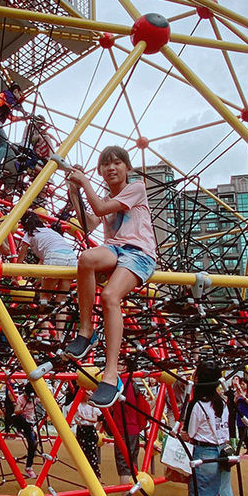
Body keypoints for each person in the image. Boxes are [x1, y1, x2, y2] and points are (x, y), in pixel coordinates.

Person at [65, 146, 157, 408]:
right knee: (86, 258)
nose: (111, 168)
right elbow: (89, 223)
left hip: (139, 253)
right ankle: (86, 331)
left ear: (127, 168)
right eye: (106, 164)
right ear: (100, 171)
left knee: (109, 296)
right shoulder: (107, 196)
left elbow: (101, 208)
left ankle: (111, 373)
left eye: (117, 163)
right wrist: (75, 194)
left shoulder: (137, 187)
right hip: (116, 250)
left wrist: (83, 182)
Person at [162, 361, 245, 496]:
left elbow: (190, 434)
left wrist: (178, 436)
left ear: (200, 379)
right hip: (223, 456)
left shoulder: (197, 405)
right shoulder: (223, 404)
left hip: (205, 457)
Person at [17, 211, 77, 338]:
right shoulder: (50, 232)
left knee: (45, 296)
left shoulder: (30, 234)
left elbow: (21, 256)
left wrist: (15, 274)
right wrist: (39, 278)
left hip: (54, 258)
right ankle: (59, 335)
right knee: (61, 300)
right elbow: (43, 260)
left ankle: (45, 329)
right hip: (71, 259)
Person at [10, 384, 38, 479]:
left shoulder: (35, 398)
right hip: (21, 421)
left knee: (33, 443)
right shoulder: (21, 398)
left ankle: (29, 466)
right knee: (16, 417)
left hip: (29, 423)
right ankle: (20, 430)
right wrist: (20, 409)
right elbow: (16, 410)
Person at [73, 392, 102, 478]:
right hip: (82, 429)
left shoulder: (93, 405)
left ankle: (96, 475)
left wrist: (85, 418)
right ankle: (88, 475)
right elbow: (75, 417)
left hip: (89, 429)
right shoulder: (77, 404)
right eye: (87, 393)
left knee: (92, 453)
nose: (89, 394)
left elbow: (96, 419)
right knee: (83, 453)